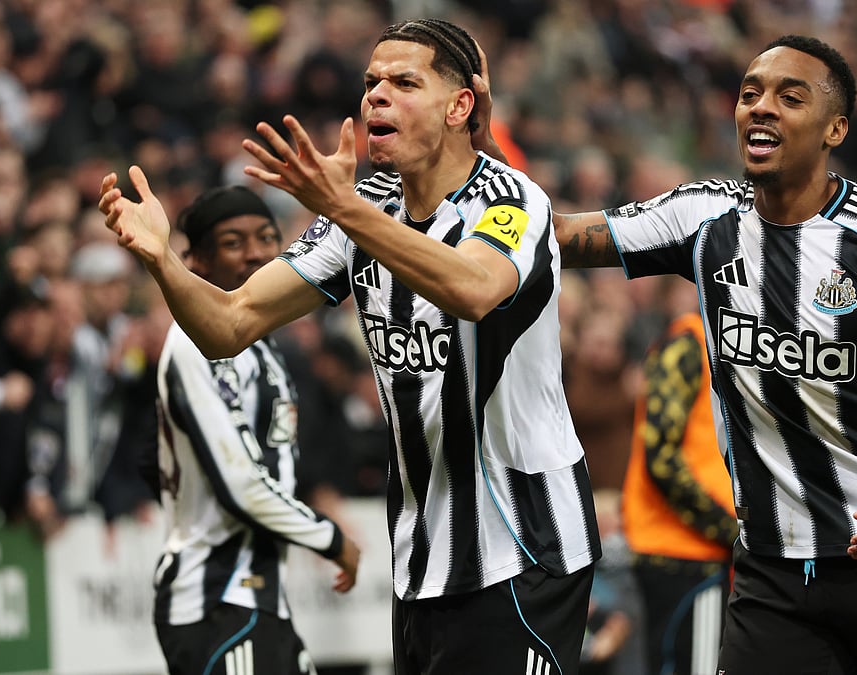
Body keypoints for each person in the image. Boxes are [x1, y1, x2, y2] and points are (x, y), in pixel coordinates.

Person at [99, 19, 600, 675]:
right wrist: (162, 261)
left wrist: (344, 210)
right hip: (422, 563)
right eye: (371, 83)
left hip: (525, 549)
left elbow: (475, 288)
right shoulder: (365, 208)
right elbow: (229, 323)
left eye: (404, 83)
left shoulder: (510, 199)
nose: (376, 96)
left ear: (459, 107)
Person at [502, 34, 857, 672]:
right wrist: (482, 157)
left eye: (790, 98)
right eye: (750, 94)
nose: (761, 107)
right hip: (774, 581)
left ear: (835, 129)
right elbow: (556, 238)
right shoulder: (704, 218)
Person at [146, 184, 361, 675]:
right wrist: (330, 539)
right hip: (216, 599)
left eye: (266, 237)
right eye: (233, 242)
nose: (257, 253)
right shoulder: (193, 343)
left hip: (259, 597)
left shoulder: (263, 347)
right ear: (196, 261)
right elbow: (238, 482)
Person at [622, 278, 737, 675]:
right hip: (686, 553)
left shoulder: (715, 347)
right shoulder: (688, 345)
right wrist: (730, 531)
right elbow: (661, 457)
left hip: (693, 551)